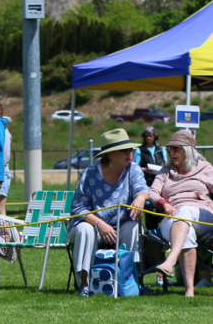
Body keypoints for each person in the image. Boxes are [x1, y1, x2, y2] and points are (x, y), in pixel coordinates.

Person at [67, 128, 149, 297]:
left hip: (122, 226)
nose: (129, 153)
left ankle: (128, 280)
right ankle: (85, 285)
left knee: (134, 227)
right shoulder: (89, 174)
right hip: (93, 226)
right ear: (109, 154)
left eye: (130, 149)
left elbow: (142, 189)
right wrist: (100, 224)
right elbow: (78, 209)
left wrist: (141, 197)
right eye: (123, 150)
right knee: (84, 230)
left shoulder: (133, 169)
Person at [149, 131, 213, 297]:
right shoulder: (165, 171)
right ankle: (189, 290)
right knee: (187, 231)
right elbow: (153, 193)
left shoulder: (205, 168)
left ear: (189, 150)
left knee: (185, 210)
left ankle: (171, 260)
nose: (173, 152)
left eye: (177, 148)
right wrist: (165, 205)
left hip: (203, 216)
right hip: (172, 217)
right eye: (170, 149)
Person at [134, 125, 169, 231]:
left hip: (160, 182)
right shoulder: (140, 150)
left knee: (160, 206)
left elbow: (166, 163)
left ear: (154, 136)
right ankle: (150, 230)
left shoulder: (161, 149)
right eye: (146, 136)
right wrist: (145, 169)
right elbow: (135, 167)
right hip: (147, 182)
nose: (148, 138)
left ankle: (157, 228)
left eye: (150, 135)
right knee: (148, 207)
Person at [0, 100, 13, 216]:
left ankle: (4, 228)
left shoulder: (2, 130)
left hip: (0, 174)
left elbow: (5, 156)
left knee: (0, 210)